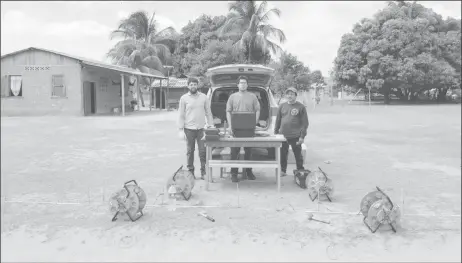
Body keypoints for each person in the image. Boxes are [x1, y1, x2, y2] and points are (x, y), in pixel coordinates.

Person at [178, 77, 214, 180]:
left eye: (195, 84)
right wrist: (180, 129)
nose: (193, 86)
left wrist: (210, 125)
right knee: (190, 151)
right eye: (191, 84)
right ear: (188, 86)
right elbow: (181, 114)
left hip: (201, 129)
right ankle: (190, 173)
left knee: (203, 151)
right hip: (189, 129)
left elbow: (208, 112)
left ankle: (203, 172)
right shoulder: (184, 98)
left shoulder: (203, 97)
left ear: (197, 85)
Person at [226, 76, 260, 183]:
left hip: (249, 128)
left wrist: (254, 122)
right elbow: (228, 111)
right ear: (237, 85)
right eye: (241, 83)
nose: (243, 84)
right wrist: (230, 126)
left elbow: (258, 109)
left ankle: (249, 172)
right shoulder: (232, 97)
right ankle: (234, 174)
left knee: (249, 151)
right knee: (234, 151)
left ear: (247, 85)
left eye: (245, 82)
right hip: (236, 128)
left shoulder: (253, 96)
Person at [274, 87, 309, 177]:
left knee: (298, 155)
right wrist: (275, 134)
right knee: (283, 154)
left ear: (295, 96)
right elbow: (278, 120)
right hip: (283, 136)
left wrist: (302, 136)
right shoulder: (282, 106)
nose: (289, 96)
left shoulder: (300, 107)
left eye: (292, 94)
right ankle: (283, 170)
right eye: (288, 94)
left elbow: (305, 123)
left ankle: (300, 170)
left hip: (296, 136)